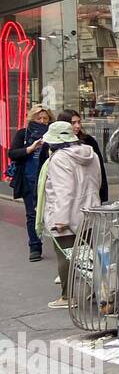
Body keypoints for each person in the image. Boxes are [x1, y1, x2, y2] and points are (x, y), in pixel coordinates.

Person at [37, 121, 102, 309]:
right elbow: (96, 182)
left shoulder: (59, 159)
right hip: (90, 210)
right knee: (89, 254)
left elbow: (63, 191)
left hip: (68, 213)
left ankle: (67, 296)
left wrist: (60, 220)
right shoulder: (91, 154)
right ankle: (102, 290)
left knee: (66, 255)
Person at [37, 110, 109, 204]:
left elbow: (99, 169)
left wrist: (102, 193)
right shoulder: (50, 145)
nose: (77, 126)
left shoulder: (88, 141)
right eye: (73, 123)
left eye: (79, 122)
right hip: (62, 194)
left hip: (86, 191)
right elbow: (42, 172)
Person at [9, 104, 51, 261]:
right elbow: (12, 153)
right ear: (31, 119)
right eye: (38, 118)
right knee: (32, 214)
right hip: (29, 179)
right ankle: (35, 246)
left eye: (45, 118)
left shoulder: (53, 134)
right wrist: (30, 149)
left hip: (50, 180)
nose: (41, 121)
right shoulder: (23, 134)